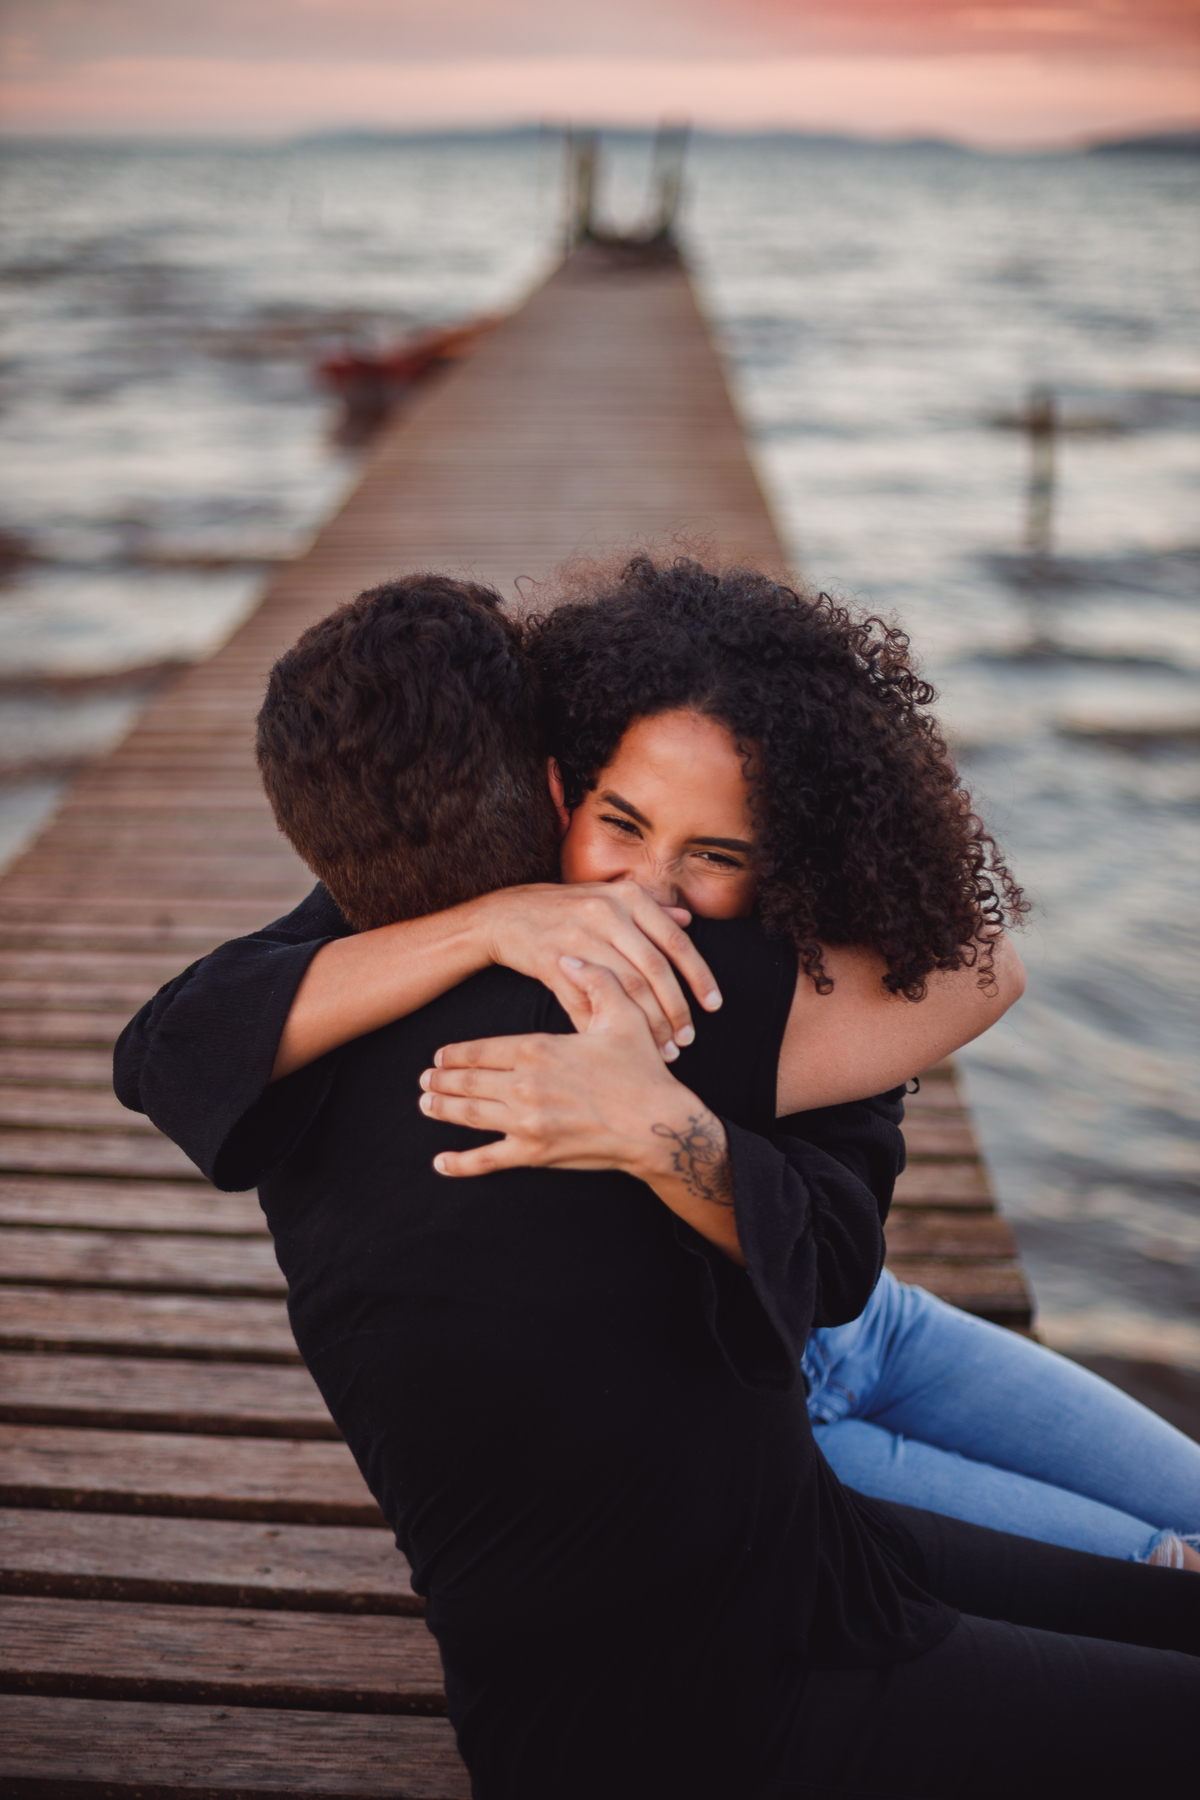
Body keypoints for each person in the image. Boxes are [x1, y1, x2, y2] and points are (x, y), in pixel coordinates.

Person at [115, 572, 1199, 1798]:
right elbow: (981, 968)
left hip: (800, 1432)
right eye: (619, 824)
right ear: (555, 785)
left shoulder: (329, 997)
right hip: (742, 1617)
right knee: (1172, 1578)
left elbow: (166, 1043)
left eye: (716, 850)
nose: (645, 895)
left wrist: (644, 1093)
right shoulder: (638, 982)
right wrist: (501, 925)